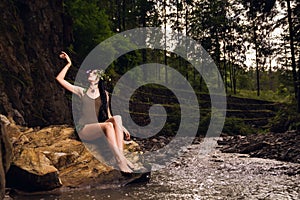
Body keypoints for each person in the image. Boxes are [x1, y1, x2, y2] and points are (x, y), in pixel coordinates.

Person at [56, 51, 133, 173]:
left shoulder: (105, 95)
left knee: (117, 118)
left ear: (98, 78)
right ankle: (120, 160)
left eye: (93, 72)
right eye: (89, 72)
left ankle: (121, 157)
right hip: (84, 128)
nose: (89, 73)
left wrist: (122, 128)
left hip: (98, 128)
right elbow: (59, 79)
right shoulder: (82, 91)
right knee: (108, 125)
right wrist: (68, 64)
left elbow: (108, 115)